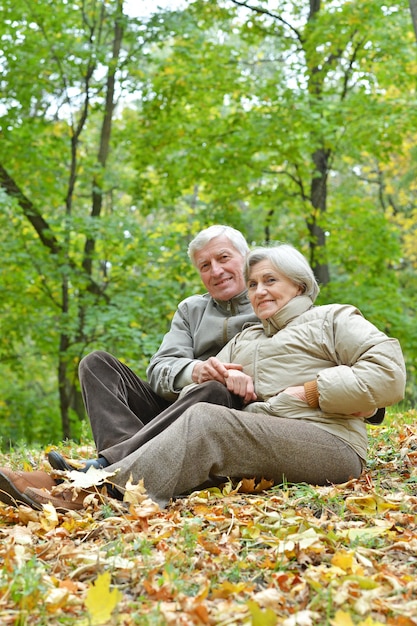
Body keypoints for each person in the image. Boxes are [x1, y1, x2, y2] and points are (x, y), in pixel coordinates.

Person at [0, 243, 406, 512]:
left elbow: (388, 373)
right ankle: (72, 482)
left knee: (207, 423)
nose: (259, 291)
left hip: (329, 443)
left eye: (270, 281)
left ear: (299, 284)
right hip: (266, 431)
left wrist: (315, 391)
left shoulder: (332, 318)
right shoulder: (248, 337)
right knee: (203, 409)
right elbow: (192, 398)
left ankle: (93, 494)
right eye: (253, 284)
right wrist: (212, 376)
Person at [47, 224, 258, 471]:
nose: (216, 271)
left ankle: (113, 465)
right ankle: (125, 459)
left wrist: (231, 378)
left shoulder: (267, 300)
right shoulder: (191, 310)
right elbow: (159, 369)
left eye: (224, 258)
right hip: (174, 409)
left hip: (223, 417)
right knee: (96, 364)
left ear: (246, 258)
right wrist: (194, 371)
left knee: (213, 390)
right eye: (205, 266)